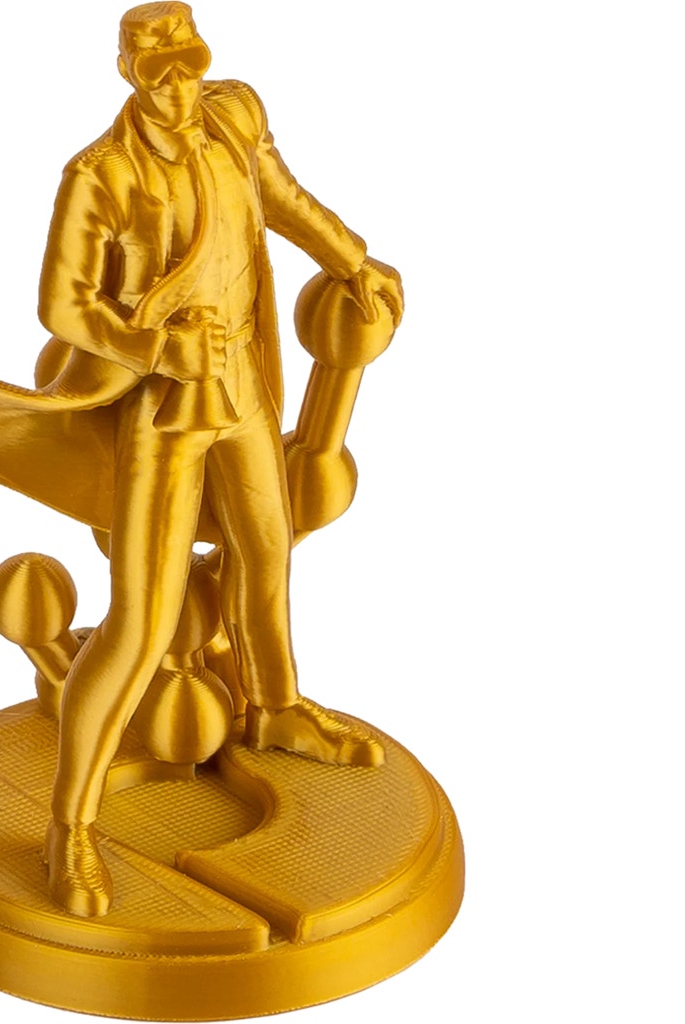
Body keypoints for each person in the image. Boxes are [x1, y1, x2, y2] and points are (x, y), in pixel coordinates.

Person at [38, 1, 404, 917]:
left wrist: (352, 259)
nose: (176, 87)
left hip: (242, 385)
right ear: (128, 74)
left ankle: (275, 707)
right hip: (162, 409)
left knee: (267, 551)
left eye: (187, 66)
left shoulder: (234, 115)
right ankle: (70, 828)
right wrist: (156, 348)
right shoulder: (100, 174)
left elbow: (281, 198)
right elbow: (63, 305)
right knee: (140, 622)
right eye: (156, 73)